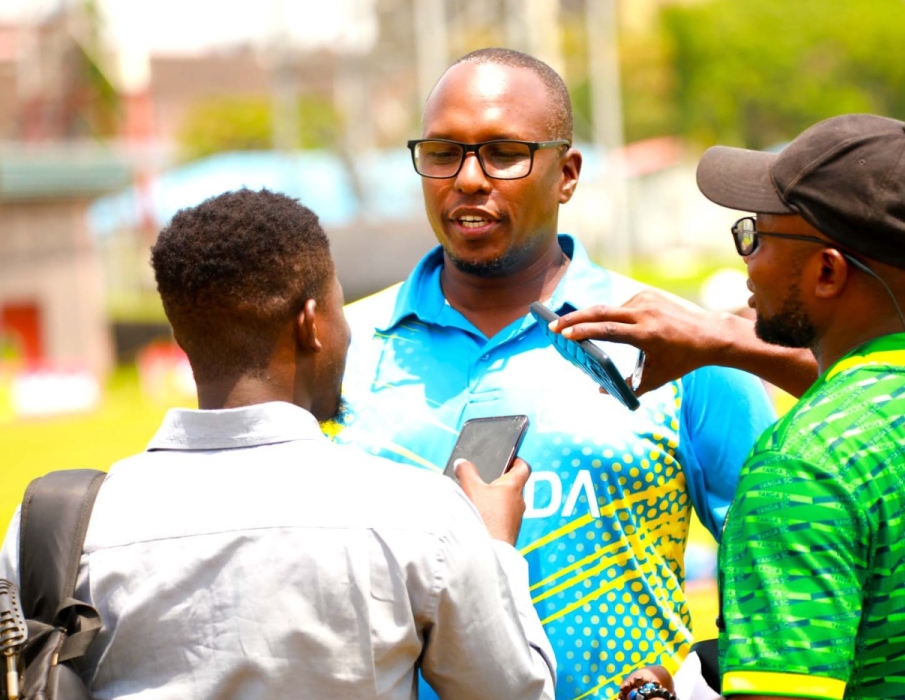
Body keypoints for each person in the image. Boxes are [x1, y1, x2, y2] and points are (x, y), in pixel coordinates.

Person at [331, 48, 779, 700]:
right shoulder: (343, 352)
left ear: (567, 174)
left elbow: (780, 566)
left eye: (503, 153)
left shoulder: (676, 344)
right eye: (443, 152)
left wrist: (708, 674)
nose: (468, 179)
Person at [562, 114, 905, 699]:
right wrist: (719, 336)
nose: (746, 258)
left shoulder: (800, 466)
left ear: (827, 270)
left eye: (755, 236)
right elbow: (886, 410)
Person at [0, 189, 557, 700]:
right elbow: (515, 692)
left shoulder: (54, 528)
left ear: (182, 332)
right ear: (312, 323)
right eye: (341, 308)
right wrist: (496, 549)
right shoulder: (422, 516)